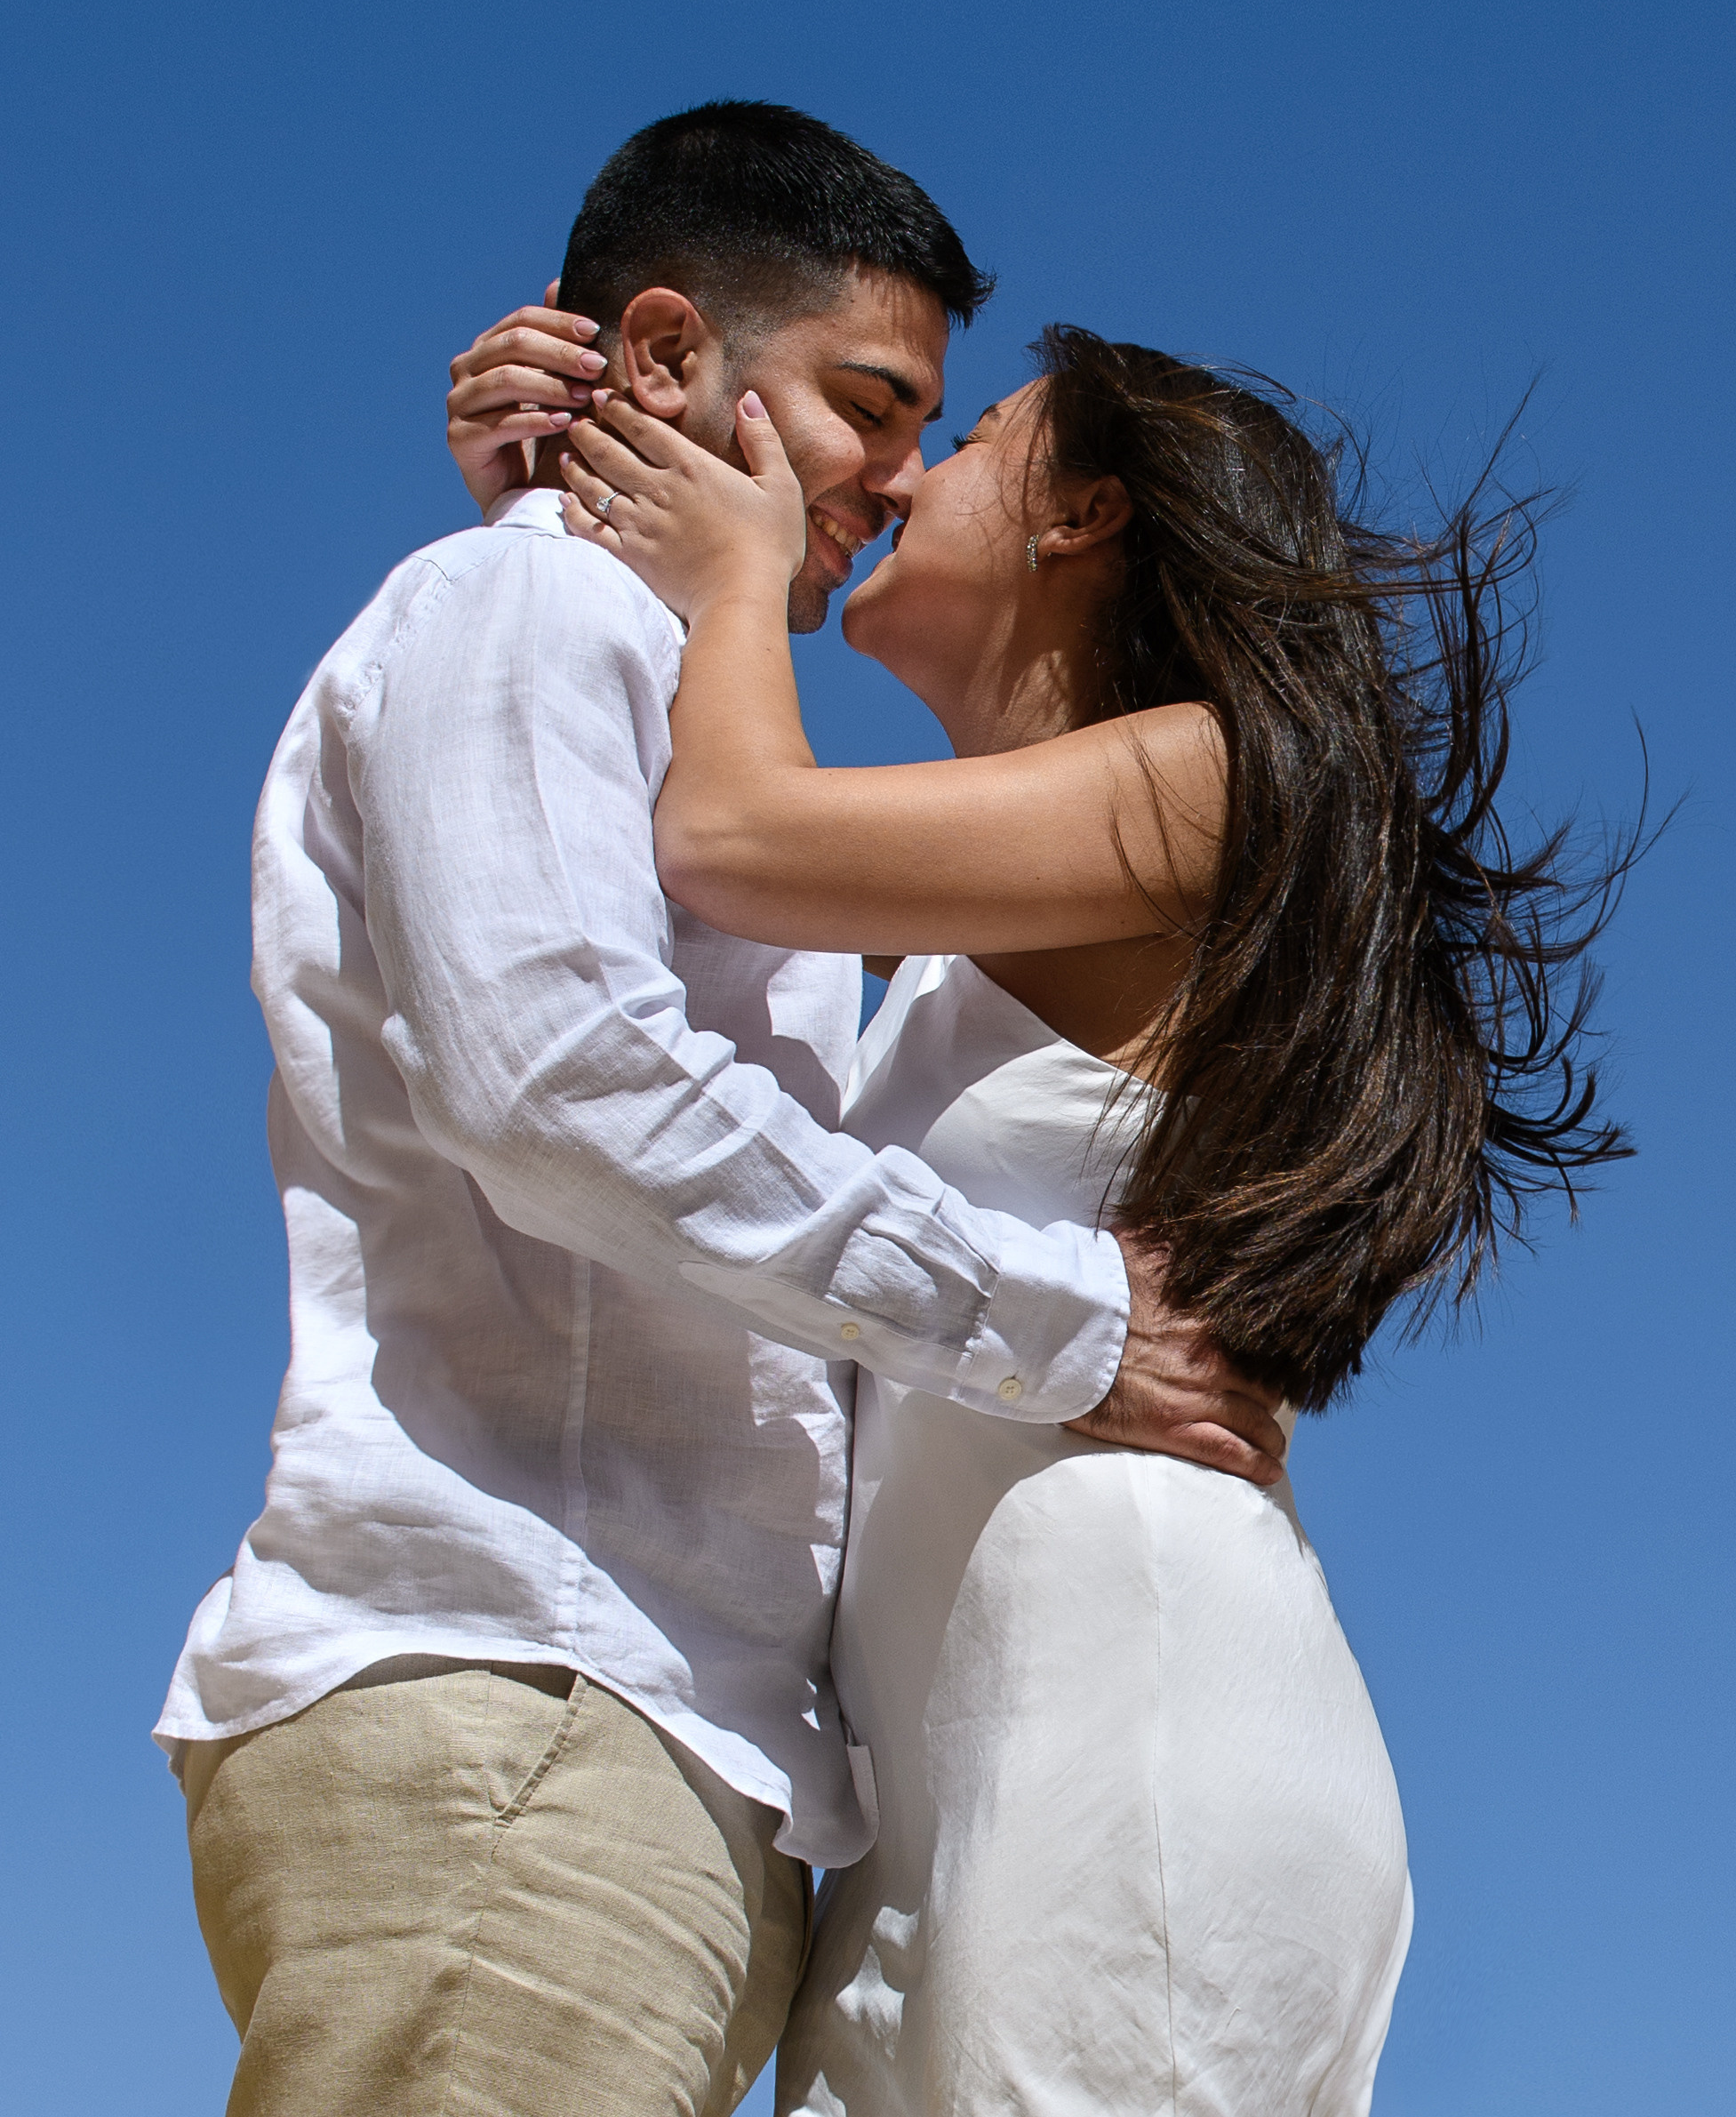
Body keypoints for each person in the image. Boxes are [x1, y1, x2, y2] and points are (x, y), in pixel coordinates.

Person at [160, 103, 1284, 2117]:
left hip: (681, 1755)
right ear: (666, 357)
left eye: (935, 432)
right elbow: (559, 1081)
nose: (898, 471)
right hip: (538, 1692)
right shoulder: (535, 617)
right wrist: (1070, 1326)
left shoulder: (707, 729)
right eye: (870, 401)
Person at [553, 328, 1630, 2116]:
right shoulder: (960, 951)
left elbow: (729, 833)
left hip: (1116, 1715)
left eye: (963, 438)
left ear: (1084, 515)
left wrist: (739, 569)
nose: (894, 476)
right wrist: (560, 463)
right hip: (945, 1778)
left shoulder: (1194, 779)